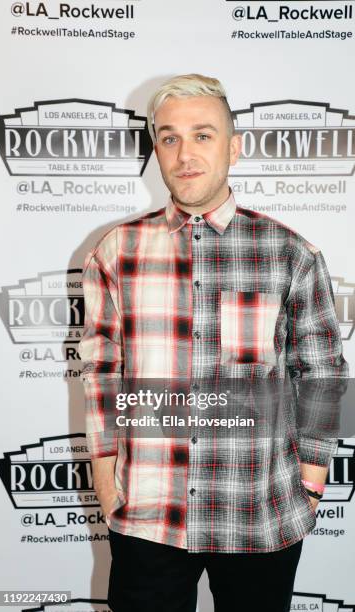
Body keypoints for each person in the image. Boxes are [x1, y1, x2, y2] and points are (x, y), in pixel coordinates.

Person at [78, 74, 348, 612]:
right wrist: (108, 489)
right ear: (155, 150)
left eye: (203, 134)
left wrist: (311, 489)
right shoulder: (116, 251)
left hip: (258, 513)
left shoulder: (290, 253)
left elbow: (323, 377)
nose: (184, 153)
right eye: (169, 137)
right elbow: (101, 375)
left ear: (234, 146)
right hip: (148, 514)